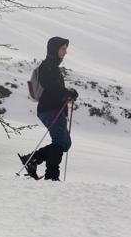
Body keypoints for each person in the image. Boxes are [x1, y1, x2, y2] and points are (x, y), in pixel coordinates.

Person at [19, 37, 78, 181]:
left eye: (65, 49)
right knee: (59, 142)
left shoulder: (54, 67)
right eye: (63, 48)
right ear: (54, 49)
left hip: (56, 109)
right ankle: (52, 177)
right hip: (49, 108)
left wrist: (68, 94)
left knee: (65, 143)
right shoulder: (47, 66)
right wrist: (67, 92)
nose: (65, 52)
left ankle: (32, 159)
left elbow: (55, 88)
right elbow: (50, 86)